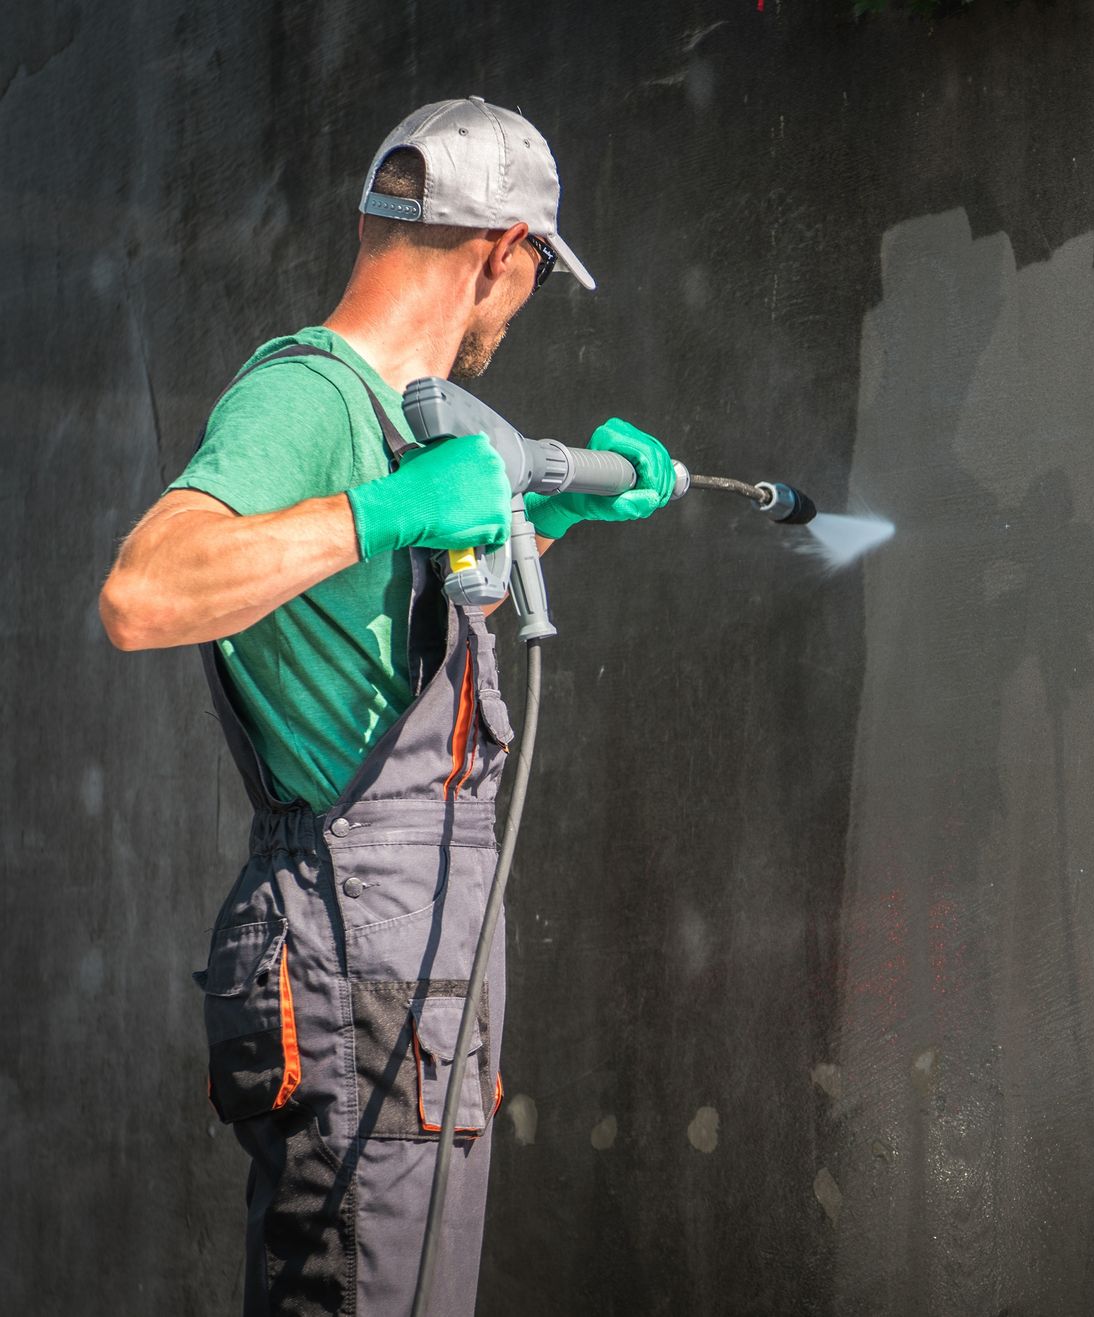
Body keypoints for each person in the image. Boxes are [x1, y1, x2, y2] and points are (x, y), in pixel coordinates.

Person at [97, 97, 673, 1315]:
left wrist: (546, 523)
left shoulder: (392, 419)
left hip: (409, 950)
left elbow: (357, 634)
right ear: (502, 252)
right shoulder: (305, 398)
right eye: (530, 282)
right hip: (351, 932)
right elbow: (143, 593)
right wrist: (388, 514)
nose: (516, 312)